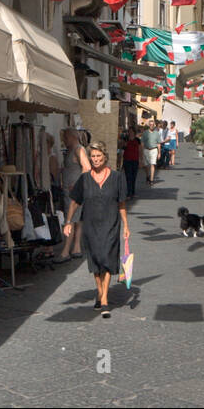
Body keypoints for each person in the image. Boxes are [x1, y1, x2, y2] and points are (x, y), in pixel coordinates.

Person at [63, 141, 129, 318]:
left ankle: (105, 298)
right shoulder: (84, 179)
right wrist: (68, 221)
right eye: (93, 156)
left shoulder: (116, 177)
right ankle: (99, 291)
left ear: (105, 157)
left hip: (111, 223)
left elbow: (121, 202)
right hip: (90, 225)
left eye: (98, 156)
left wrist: (126, 226)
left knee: (107, 257)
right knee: (96, 260)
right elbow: (75, 201)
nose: (95, 159)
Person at [56, 128, 84, 262]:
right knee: (77, 220)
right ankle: (76, 248)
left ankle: (66, 251)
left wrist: (78, 184)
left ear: (72, 137)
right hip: (72, 192)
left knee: (70, 219)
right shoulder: (73, 150)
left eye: (65, 138)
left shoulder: (78, 149)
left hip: (74, 193)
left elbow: (87, 168)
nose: (64, 141)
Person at [121, 126, 141, 199]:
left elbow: (140, 150)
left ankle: (133, 192)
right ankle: (129, 193)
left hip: (135, 160)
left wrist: (141, 160)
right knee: (128, 177)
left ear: (134, 132)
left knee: (134, 177)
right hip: (127, 160)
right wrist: (125, 142)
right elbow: (123, 147)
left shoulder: (137, 140)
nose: (130, 133)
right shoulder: (125, 139)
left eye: (131, 131)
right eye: (129, 131)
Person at [141, 119, 160, 185]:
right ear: (149, 125)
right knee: (146, 165)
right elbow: (142, 142)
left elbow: (158, 143)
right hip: (146, 149)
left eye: (152, 125)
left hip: (154, 150)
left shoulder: (156, 133)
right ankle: (147, 176)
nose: (151, 126)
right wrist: (142, 151)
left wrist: (159, 153)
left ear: (154, 125)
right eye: (150, 124)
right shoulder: (145, 133)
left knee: (152, 164)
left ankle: (151, 180)